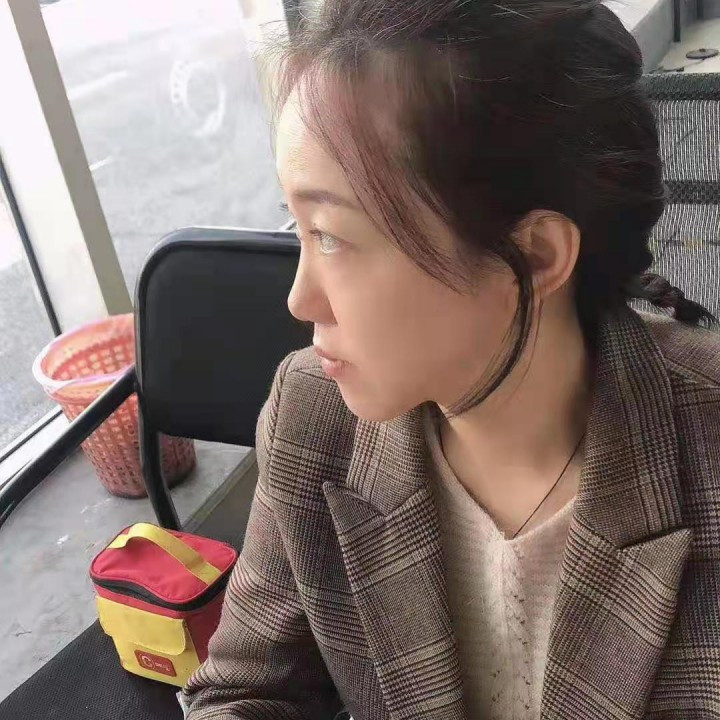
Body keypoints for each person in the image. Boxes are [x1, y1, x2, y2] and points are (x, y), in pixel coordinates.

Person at [182, 0, 720, 718]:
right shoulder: (313, 420)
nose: (299, 299)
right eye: (298, 229)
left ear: (534, 257)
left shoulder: (705, 449)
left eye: (332, 235)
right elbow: (245, 690)